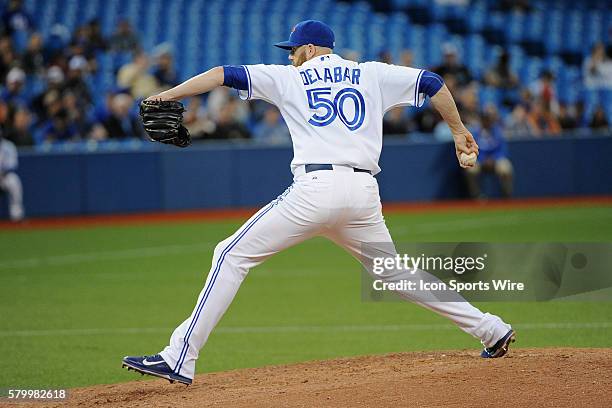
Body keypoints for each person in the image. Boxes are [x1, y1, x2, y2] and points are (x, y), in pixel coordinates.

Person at [122, 20, 514, 386]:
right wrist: (459, 130)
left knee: (230, 254)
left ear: (310, 49)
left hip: (316, 189)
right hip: (362, 195)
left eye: (293, 49)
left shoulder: (291, 76)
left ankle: (179, 357)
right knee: (395, 274)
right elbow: (431, 81)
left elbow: (224, 73)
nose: (289, 55)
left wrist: (166, 94)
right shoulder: (370, 72)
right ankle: (491, 329)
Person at [465, 108, 514, 198]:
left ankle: (506, 194)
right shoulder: (475, 133)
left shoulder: (498, 131)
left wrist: (493, 159)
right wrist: (482, 159)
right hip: (480, 161)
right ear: (481, 120)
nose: (486, 121)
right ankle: (476, 195)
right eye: (484, 119)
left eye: (487, 119)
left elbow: (503, 151)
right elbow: (471, 149)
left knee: (506, 167)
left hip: (496, 160)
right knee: (471, 170)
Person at [0, 131, 24, 221]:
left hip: (5, 176)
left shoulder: (8, 146)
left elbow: (12, 164)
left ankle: (16, 215)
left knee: (14, 181)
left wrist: (3, 173)